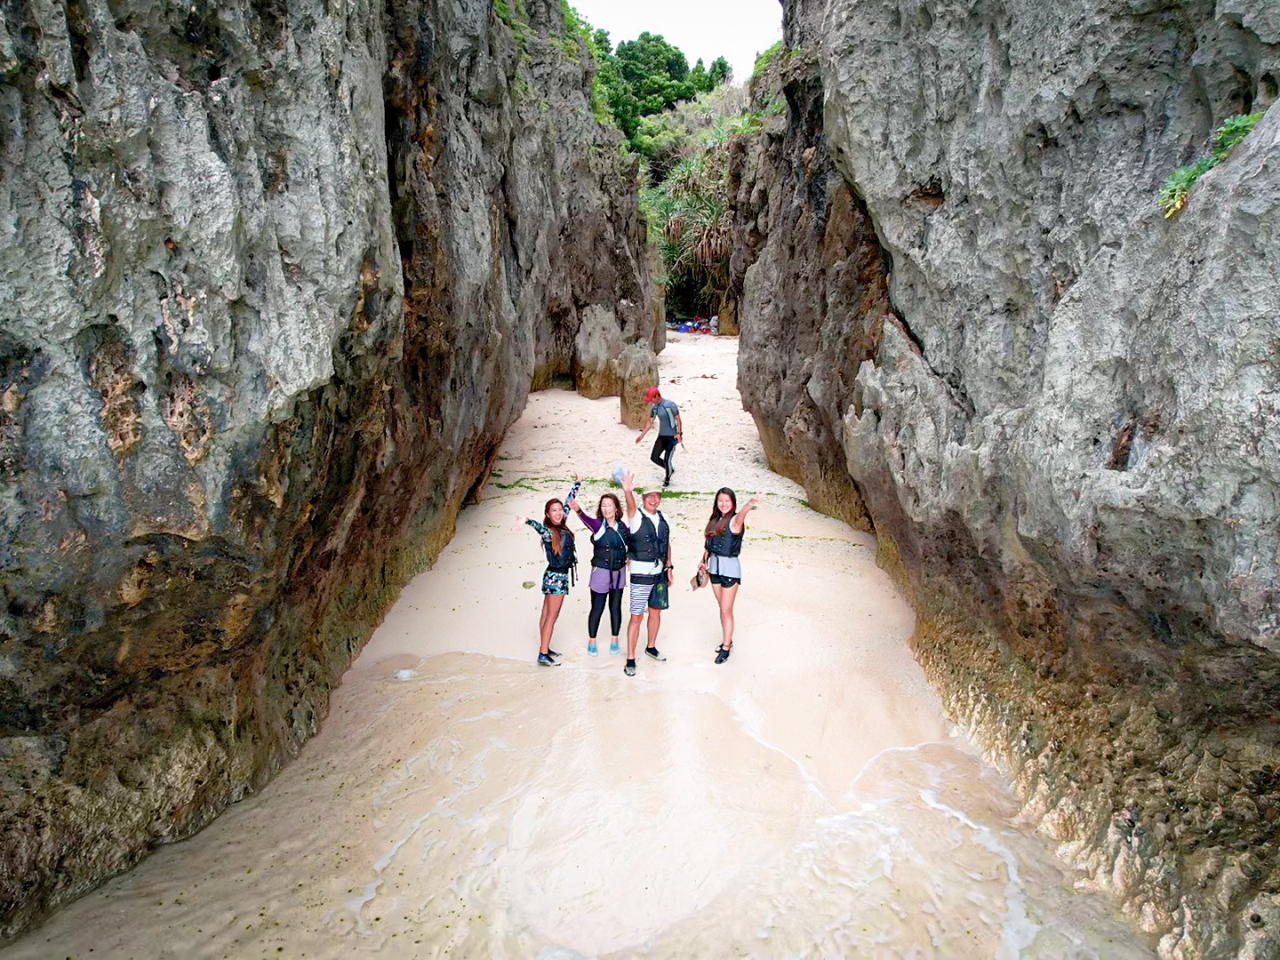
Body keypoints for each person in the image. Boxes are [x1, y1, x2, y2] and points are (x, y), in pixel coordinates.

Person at [516, 479, 581, 666]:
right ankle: (543, 654)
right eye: (554, 510)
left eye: (560, 510)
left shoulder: (561, 524)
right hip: (557, 578)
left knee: (546, 614)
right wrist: (526, 520)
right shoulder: (548, 532)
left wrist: (577, 483)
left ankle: (545, 647)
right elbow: (538, 527)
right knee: (551, 616)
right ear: (548, 514)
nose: (559, 513)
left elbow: (569, 501)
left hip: (552, 576)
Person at [698, 488, 763, 663]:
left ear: (732, 502)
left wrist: (750, 503)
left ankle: (726, 646)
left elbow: (742, 515)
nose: (723, 504)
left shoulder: (735, 521)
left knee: (726, 610)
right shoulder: (714, 520)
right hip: (714, 570)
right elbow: (708, 545)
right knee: (722, 607)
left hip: (730, 571)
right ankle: (728, 638)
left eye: (727, 501)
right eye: (720, 500)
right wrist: (703, 561)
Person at [620, 470, 672, 677]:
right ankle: (630, 658)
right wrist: (628, 492)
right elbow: (630, 507)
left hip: (660, 573)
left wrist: (669, 567)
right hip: (641, 574)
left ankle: (651, 646)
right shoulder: (636, 517)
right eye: (649, 496)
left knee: (656, 612)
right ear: (644, 498)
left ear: (659, 498)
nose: (653, 499)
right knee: (636, 616)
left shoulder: (664, 517)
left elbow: (667, 543)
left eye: (656, 496)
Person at [569, 490, 628, 656]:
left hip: (619, 572)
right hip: (601, 571)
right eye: (603, 505)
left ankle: (614, 639)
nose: (606, 508)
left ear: (616, 508)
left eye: (609, 505)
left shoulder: (623, 527)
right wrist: (577, 509)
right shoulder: (598, 525)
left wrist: (630, 556)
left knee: (615, 606)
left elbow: (633, 543)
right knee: (597, 607)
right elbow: (585, 519)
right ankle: (592, 641)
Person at [635, 386, 682, 487]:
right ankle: (669, 469)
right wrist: (642, 435)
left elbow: (678, 419)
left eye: (652, 398)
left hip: (672, 437)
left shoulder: (670, 405)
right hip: (661, 436)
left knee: (667, 459)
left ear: (656, 396)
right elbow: (650, 421)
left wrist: (679, 433)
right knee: (654, 457)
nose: (651, 401)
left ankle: (667, 479)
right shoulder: (654, 407)